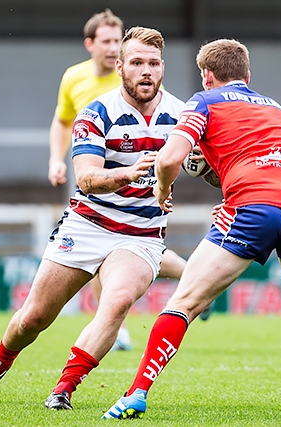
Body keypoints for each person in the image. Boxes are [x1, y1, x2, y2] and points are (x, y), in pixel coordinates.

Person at [102, 38, 281, 420]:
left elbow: (169, 159)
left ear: (207, 75)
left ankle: (136, 393)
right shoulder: (276, 107)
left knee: (185, 301)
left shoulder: (203, 101)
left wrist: (162, 192)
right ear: (247, 76)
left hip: (252, 208)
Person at [0, 26, 186, 411]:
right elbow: (86, 177)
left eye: (152, 63)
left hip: (142, 234)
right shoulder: (96, 113)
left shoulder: (184, 116)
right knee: (33, 318)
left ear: (162, 67)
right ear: (120, 67)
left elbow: (214, 165)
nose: (146, 71)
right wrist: (128, 173)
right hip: (88, 225)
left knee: (116, 303)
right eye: (136, 63)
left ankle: (63, 389)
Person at [47, 9, 195, 350]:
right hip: (93, 167)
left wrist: (164, 180)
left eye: (118, 41)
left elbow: (161, 124)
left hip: (140, 173)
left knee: (126, 246)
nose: (114, 48)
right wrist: (56, 160)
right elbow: (62, 121)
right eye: (107, 41)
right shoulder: (75, 79)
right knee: (102, 247)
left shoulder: (142, 73)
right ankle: (186, 279)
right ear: (91, 45)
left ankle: (119, 323)